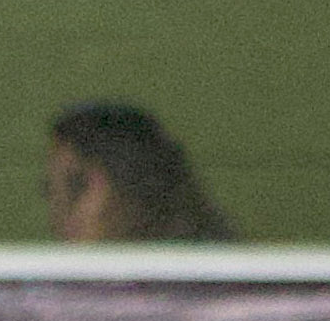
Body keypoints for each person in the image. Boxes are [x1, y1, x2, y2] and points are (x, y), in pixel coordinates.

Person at [46, 102, 233, 245]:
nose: (59, 212)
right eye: (50, 194)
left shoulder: (219, 285)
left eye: (77, 186)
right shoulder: (53, 291)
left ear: (133, 186)